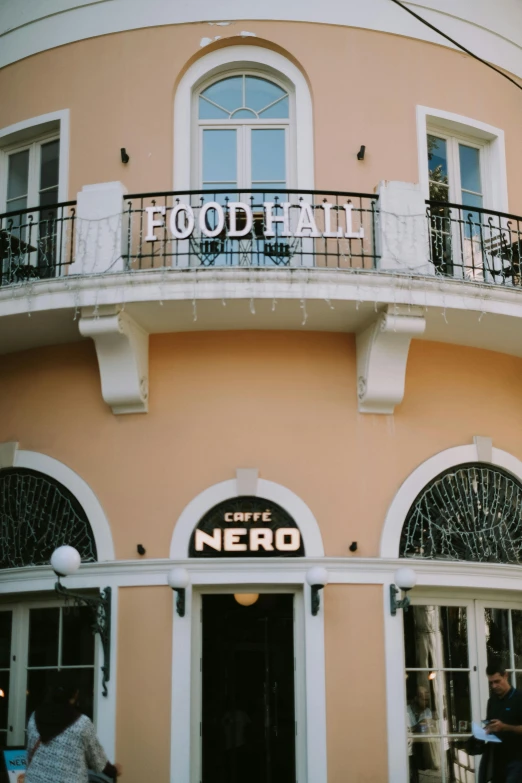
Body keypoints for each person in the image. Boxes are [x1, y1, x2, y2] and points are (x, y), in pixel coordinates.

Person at [25, 671, 122, 783]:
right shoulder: (82, 723)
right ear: (75, 694)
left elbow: (29, 754)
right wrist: (114, 771)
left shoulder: (34, 716)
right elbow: (97, 760)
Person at [483, 660, 522, 783]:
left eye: (497, 681)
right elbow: (491, 724)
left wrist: (505, 727)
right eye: (491, 683)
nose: (494, 686)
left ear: (506, 676)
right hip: (496, 761)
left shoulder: (519, 699)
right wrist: (485, 730)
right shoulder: (492, 701)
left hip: (517, 761)